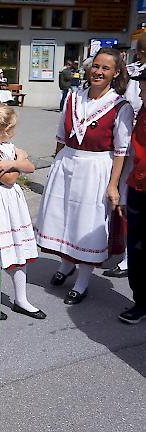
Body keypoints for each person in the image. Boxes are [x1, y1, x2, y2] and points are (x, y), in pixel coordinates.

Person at [34, 48, 134, 305]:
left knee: (87, 223)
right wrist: (56, 164)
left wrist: (113, 185)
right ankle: (66, 264)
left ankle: (83, 280)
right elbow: (60, 135)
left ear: (116, 73)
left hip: (96, 167)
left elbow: (121, 151)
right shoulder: (72, 97)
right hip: (67, 162)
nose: (98, 72)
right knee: (64, 216)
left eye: (106, 68)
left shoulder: (120, 106)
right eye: (96, 66)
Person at [0, 105, 45, 320]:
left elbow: (29, 166)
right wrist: (19, 160)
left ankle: (21, 300)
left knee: (17, 248)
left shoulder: (7, 148)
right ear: (4, 129)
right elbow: (10, 179)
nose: (14, 132)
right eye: (12, 128)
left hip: (12, 201)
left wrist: (13, 162)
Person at [104, 35, 146, 279]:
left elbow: (132, 103)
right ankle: (127, 252)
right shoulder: (134, 74)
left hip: (133, 147)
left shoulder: (136, 75)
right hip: (132, 146)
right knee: (126, 202)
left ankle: (130, 257)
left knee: (129, 202)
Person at [118, 67, 146, 324]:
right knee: (136, 250)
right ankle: (141, 303)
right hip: (138, 190)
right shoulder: (141, 114)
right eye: (141, 85)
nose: (141, 89)